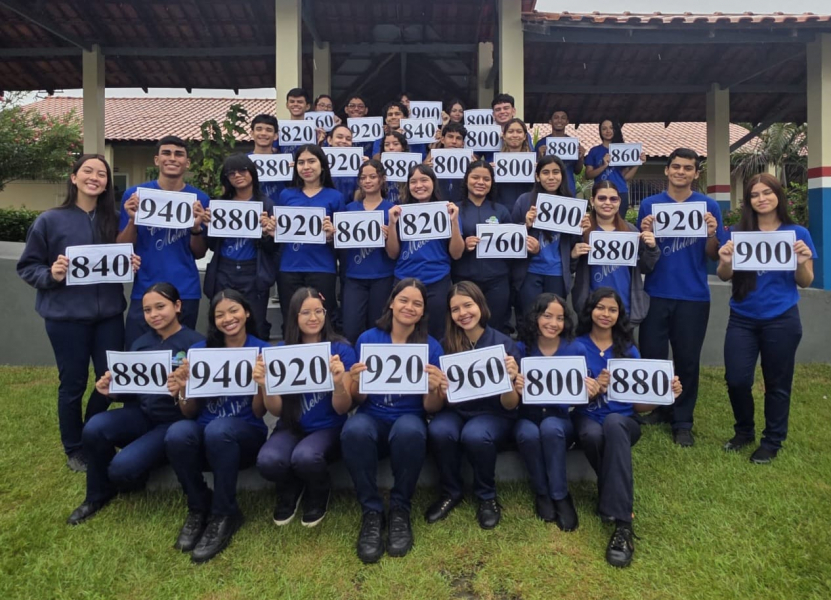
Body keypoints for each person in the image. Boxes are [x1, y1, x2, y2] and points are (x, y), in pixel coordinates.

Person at [18, 154, 138, 472]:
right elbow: (28, 266)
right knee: (72, 384)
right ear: (74, 178)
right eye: (88, 171)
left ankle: (92, 433)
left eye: (101, 173)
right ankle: (74, 449)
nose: (95, 177)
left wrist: (129, 261)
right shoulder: (49, 220)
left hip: (109, 315)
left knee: (111, 382)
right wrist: (52, 275)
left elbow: (122, 255)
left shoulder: (112, 218)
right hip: (65, 317)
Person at [66, 283, 204, 524]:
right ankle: (96, 495)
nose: (154, 315)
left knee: (121, 469)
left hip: (173, 424)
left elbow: (204, 398)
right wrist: (113, 393)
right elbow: (133, 392)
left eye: (160, 307)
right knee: (94, 428)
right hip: (142, 415)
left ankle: (145, 465)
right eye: (147, 310)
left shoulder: (196, 344)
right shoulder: (140, 344)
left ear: (178, 306)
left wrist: (184, 388)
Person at [573, 287, 682, 568]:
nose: (606, 314)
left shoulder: (629, 350)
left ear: (620, 315)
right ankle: (615, 500)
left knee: (613, 423)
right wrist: (594, 389)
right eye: (600, 308)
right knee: (593, 431)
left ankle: (622, 525)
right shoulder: (575, 347)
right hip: (588, 419)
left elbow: (638, 406)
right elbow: (570, 398)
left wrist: (663, 396)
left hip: (624, 423)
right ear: (590, 311)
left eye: (612, 309)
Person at [341, 279, 445, 563]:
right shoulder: (367, 339)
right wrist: (357, 382)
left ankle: (400, 509)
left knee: (411, 429)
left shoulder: (431, 347)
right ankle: (371, 512)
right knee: (354, 429)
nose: (409, 307)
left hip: (409, 417)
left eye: (417, 303)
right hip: (372, 415)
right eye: (404, 300)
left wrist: (435, 388)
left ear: (424, 312)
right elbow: (357, 400)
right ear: (391, 302)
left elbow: (430, 407)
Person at [164, 289, 270, 563]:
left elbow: (261, 412)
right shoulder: (199, 351)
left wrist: (262, 385)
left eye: (233, 310)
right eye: (219, 314)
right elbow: (188, 412)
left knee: (219, 429)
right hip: (206, 431)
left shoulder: (264, 351)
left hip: (244, 434)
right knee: (176, 433)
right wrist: (183, 389)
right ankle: (199, 506)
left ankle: (225, 513)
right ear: (213, 320)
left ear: (246, 312)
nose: (228, 318)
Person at [716, 173, 815, 463]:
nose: (761, 199)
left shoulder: (797, 234)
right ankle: (743, 431)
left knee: (777, 383)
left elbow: (806, 281)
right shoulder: (737, 233)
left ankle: (772, 440)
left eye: (767, 193)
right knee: (736, 379)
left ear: (778, 196)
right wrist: (725, 262)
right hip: (742, 318)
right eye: (755, 194)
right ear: (748, 201)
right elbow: (725, 276)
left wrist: (801, 262)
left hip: (782, 319)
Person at [637, 148, 724, 446]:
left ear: (696, 173)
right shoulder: (649, 205)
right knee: (653, 356)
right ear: (667, 170)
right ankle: (660, 408)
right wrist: (645, 235)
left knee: (687, 360)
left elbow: (714, 256)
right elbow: (642, 257)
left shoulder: (708, 206)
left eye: (688, 168)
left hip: (693, 295)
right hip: (656, 292)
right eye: (675, 166)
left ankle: (683, 420)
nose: (680, 172)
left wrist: (712, 232)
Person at [256, 287, 356, 526]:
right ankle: (291, 486)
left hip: (328, 428)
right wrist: (265, 385)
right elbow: (276, 411)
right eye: (305, 313)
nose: (313, 318)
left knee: (306, 457)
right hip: (291, 426)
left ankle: (318, 490)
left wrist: (339, 383)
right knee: (268, 460)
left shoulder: (341, 350)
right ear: (294, 317)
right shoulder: (279, 352)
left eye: (319, 311)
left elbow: (343, 409)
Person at [425, 282, 521, 529]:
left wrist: (511, 380)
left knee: (475, 435)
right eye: (455, 309)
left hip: (494, 413)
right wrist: (437, 388)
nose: (463, 313)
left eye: (468, 305)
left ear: (480, 306)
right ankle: (451, 491)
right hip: (456, 410)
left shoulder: (504, 345)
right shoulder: (444, 344)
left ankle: (486, 496)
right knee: (439, 430)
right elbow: (437, 405)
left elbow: (511, 405)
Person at [117, 135, 211, 348]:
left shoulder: (200, 199)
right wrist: (133, 219)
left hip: (184, 289)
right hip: (145, 289)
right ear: (156, 160)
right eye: (166, 153)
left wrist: (196, 228)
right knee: (138, 354)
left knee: (180, 359)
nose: (172, 158)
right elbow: (123, 247)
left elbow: (199, 253)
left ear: (187, 163)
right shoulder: (135, 195)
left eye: (179, 154)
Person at [513, 293, 594, 529]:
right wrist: (515, 385)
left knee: (550, 428)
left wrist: (590, 390)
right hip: (526, 415)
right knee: (527, 433)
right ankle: (542, 493)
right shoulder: (520, 349)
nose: (553, 323)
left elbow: (580, 395)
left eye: (559, 318)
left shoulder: (576, 348)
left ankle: (560, 495)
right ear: (535, 318)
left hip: (559, 417)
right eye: (547, 316)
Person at [202, 154, 278, 340]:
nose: (237, 175)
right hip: (224, 269)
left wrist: (268, 232)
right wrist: (206, 226)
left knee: (256, 322)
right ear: (226, 178)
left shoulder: (267, 204)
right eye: (231, 173)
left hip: (253, 271)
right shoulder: (219, 204)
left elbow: (273, 248)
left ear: (251, 172)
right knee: (222, 321)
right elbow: (211, 245)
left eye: (242, 170)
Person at [386, 164, 465, 340]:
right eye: (413, 181)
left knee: (437, 333)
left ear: (433, 183)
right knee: (405, 331)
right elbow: (392, 254)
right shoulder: (398, 212)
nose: (419, 185)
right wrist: (392, 224)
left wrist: (453, 222)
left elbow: (457, 254)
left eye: (424, 180)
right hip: (405, 278)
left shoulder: (447, 211)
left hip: (437, 279)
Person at [275, 144, 345, 331]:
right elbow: (281, 233)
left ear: (322, 165)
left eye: (311, 161)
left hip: (322, 267)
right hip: (289, 267)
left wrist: (332, 235)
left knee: (323, 319)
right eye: (301, 162)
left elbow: (342, 239)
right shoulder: (286, 195)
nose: (306, 167)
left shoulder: (336, 197)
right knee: (291, 320)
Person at [571, 181, 660, 324]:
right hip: (591, 311)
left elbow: (645, 267)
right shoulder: (581, 230)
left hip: (625, 309)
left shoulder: (631, 231)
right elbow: (568, 268)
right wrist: (573, 255)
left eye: (613, 199)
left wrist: (651, 248)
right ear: (592, 201)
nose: (608, 203)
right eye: (602, 198)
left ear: (619, 202)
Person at [452, 160, 516, 332]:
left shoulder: (501, 211)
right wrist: (463, 244)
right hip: (464, 278)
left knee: (494, 326)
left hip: (497, 280)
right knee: (465, 327)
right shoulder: (454, 210)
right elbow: (448, 248)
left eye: (486, 179)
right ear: (466, 180)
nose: (481, 182)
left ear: (492, 183)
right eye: (475, 177)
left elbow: (512, 246)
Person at [512, 155, 577, 315]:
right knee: (530, 318)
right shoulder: (524, 200)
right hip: (530, 271)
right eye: (545, 172)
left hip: (557, 272)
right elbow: (511, 237)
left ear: (562, 175)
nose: (551, 177)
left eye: (556, 172)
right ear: (537, 176)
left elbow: (574, 241)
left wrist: (582, 228)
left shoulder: (571, 203)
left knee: (553, 318)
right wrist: (525, 225)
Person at [341, 160, 397, 343]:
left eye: (373, 176)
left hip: (382, 276)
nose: (368, 181)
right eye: (363, 177)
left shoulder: (392, 210)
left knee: (378, 327)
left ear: (382, 179)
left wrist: (391, 234)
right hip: (354, 276)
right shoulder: (348, 210)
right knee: (351, 327)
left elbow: (394, 253)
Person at [584, 119, 644, 216]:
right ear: (600, 131)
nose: (608, 131)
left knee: (619, 225)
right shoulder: (594, 151)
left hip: (620, 192)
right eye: (604, 128)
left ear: (615, 130)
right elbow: (588, 174)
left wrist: (638, 163)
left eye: (611, 128)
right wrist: (603, 166)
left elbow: (626, 177)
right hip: (601, 192)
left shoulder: (623, 150)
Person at [534, 109, 585, 195]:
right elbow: (536, 171)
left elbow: (577, 171)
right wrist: (540, 157)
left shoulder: (573, 144)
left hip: (569, 189)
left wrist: (581, 157)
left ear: (567, 122)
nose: (559, 120)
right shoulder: (541, 143)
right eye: (556, 117)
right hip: (547, 190)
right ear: (550, 121)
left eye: (563, 118)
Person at [493, 117, 535, 211]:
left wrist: (538, 173)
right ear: (504, 136)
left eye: (519, 131)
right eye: (511, 131)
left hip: (527, 210)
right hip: (502, 210)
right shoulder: (495, 162)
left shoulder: (534, 163)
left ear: (525, 136)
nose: (515, 135)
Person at [426, 121, 470, 204]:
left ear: (463, 144)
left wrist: (474, 169)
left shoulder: (470, 162)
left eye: (458, 138)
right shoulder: (431, 160)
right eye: (450, 137)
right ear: (442, 140)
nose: (454, 141)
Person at [249, 113, 286, 203]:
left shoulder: (285, 162)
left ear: (276, 136)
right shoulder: (243, 161)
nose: (263, 133)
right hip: (253, 212)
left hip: (278, 213)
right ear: (252, 133)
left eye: (269, 130)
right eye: (259, 129)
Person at [327, 123, 362, 203]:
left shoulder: (358, 162)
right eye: (339, 137)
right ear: (329, 140)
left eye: (348, 139)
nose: (344, 141)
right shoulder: (319, 161)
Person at [274, 88, 312, 156]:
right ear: (287, 105)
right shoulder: (280, 129)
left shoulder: (314, 130)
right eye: (292, 101)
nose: (295, 104)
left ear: (307, 106)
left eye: (300, 102)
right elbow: (272, 151)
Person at [380, 130, 411, 204]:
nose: (391, 148)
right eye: (387, 145)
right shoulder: (378, 168)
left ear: (403, 147)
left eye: (395, 144)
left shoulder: (412, 166)